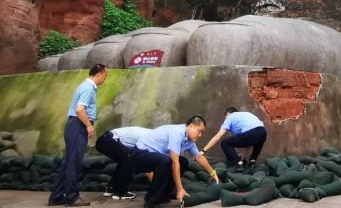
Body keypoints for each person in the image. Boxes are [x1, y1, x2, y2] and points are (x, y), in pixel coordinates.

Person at [117, 117, 219, 208]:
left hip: (155, 157)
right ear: (191, 126)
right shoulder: (177, 133)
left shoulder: (190, 141)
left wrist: (212, 173)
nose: (200, 135)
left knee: (183, 162)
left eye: (202, 133)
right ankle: (150, 201)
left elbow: (199, 157)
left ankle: (163, 195)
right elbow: (174, 163)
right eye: (199, 131)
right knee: (167, 162)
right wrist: (180, 189)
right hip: (139, 154)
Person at [48, 64, 109, 207]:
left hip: (74, 126)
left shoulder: (84, 86)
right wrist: (88, 126)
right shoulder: (88, 88)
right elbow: (80, 110)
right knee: (73, 164)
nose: (105, 78)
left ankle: (57, 197)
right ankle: (72, 197)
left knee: (68, 163)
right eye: (105, 75)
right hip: (78, 126)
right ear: (99, 74)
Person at [199, 107, 267, 172]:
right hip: (263, 132)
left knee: (225, 143)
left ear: (228, 114)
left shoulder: (230, 117)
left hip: (251, 133)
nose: (225, 120)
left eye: (225, 118)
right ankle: (252, 162)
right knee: (258, 142)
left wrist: (203, 150)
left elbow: (217, 137)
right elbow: (250, 138)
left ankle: (238, 164)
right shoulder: (244, 115)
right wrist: (243, 152)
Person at [95, 126, 150, 200]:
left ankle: (111, 188)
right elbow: (148, 167)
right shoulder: (149, 139)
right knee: (130, 160)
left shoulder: (149, 134)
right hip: (109, 140)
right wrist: (158, 186)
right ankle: (120, 192)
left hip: (103, 140)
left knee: (124, 161)